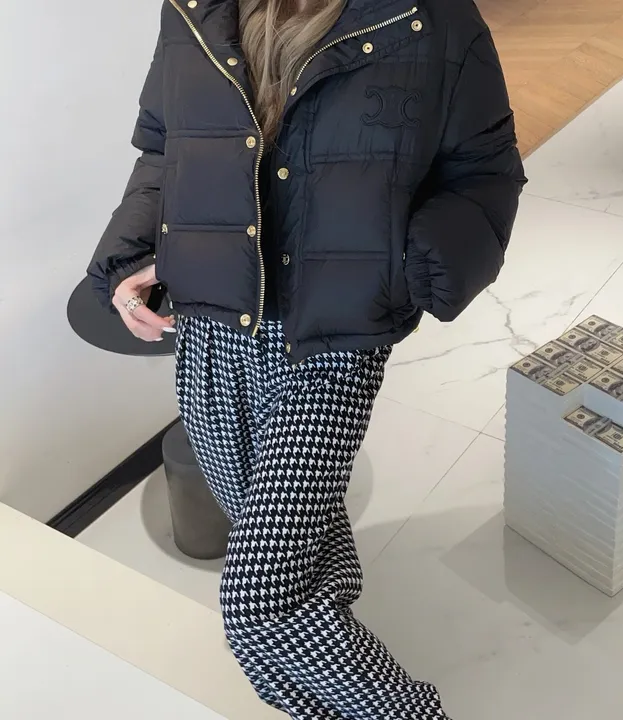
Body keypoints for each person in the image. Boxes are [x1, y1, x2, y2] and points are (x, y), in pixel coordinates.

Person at [88, 0, 526, 717]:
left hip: (334, 337)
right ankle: (321, 669)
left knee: (260, 600)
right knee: (262, 522)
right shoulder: (193, 10)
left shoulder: (432, 17)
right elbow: (165, 148)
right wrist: (131, 250)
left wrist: (418, 261)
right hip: (213, 323)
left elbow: (485, 168)